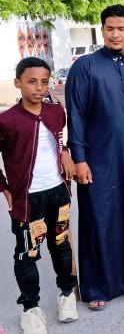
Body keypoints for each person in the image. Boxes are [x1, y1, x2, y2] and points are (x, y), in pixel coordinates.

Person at [65, 4, 124, 310]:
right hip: (98, 158)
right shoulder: (85, 67)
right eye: (110, 29)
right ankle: (98, 286)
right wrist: (79, 158)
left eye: (121, 29)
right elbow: (75, 115)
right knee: (100, 217)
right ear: (102, 30)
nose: (116, 34)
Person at [1, 58, 78, 333]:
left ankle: (66, 294)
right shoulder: (7, 120)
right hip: (28, 200)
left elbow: (59, 140)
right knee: (27, 253)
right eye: (32, 81)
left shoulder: (56, 111)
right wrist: (4, 187)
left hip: (58, 193)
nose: (39, 87)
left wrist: (65, 153)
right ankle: (30, 309)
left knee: (61, 245)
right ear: (18, 83)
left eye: (44, 82)